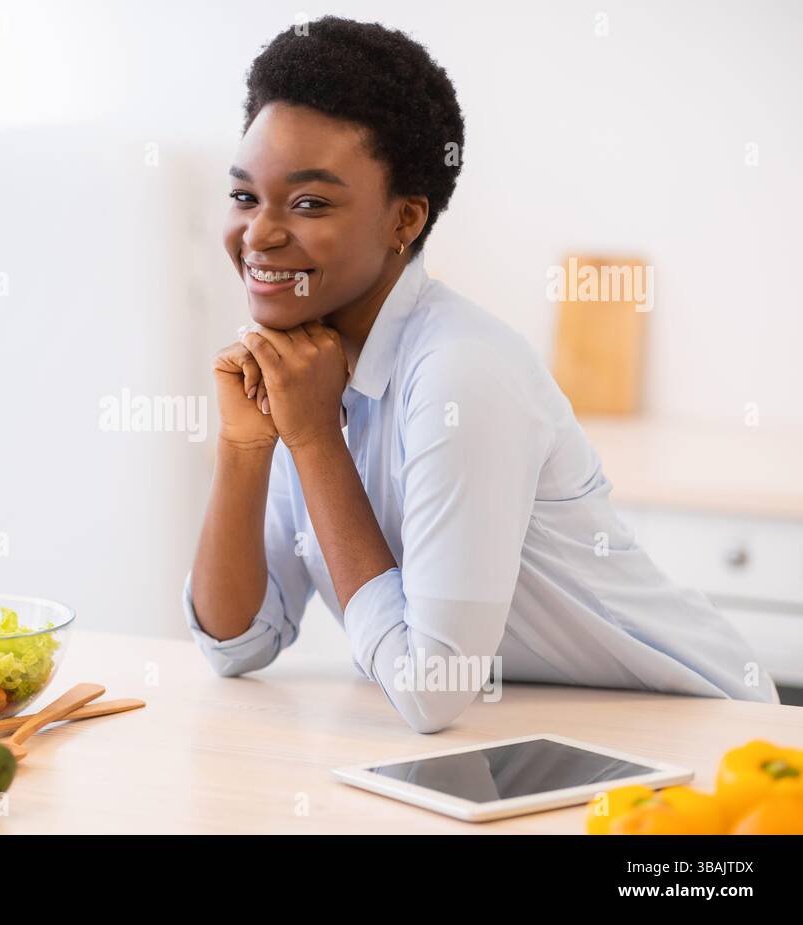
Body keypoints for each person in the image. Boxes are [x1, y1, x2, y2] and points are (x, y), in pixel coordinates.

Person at [185, 17, 778, 733]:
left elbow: (433, 686)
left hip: (699, 733)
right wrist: (246, 447)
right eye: (246, 196)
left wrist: (314, 441)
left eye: (309, 202)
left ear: (404, 218)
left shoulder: (461, 372)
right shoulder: (306, 365)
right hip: (526, 735)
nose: (260, 233)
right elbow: (238, 641)